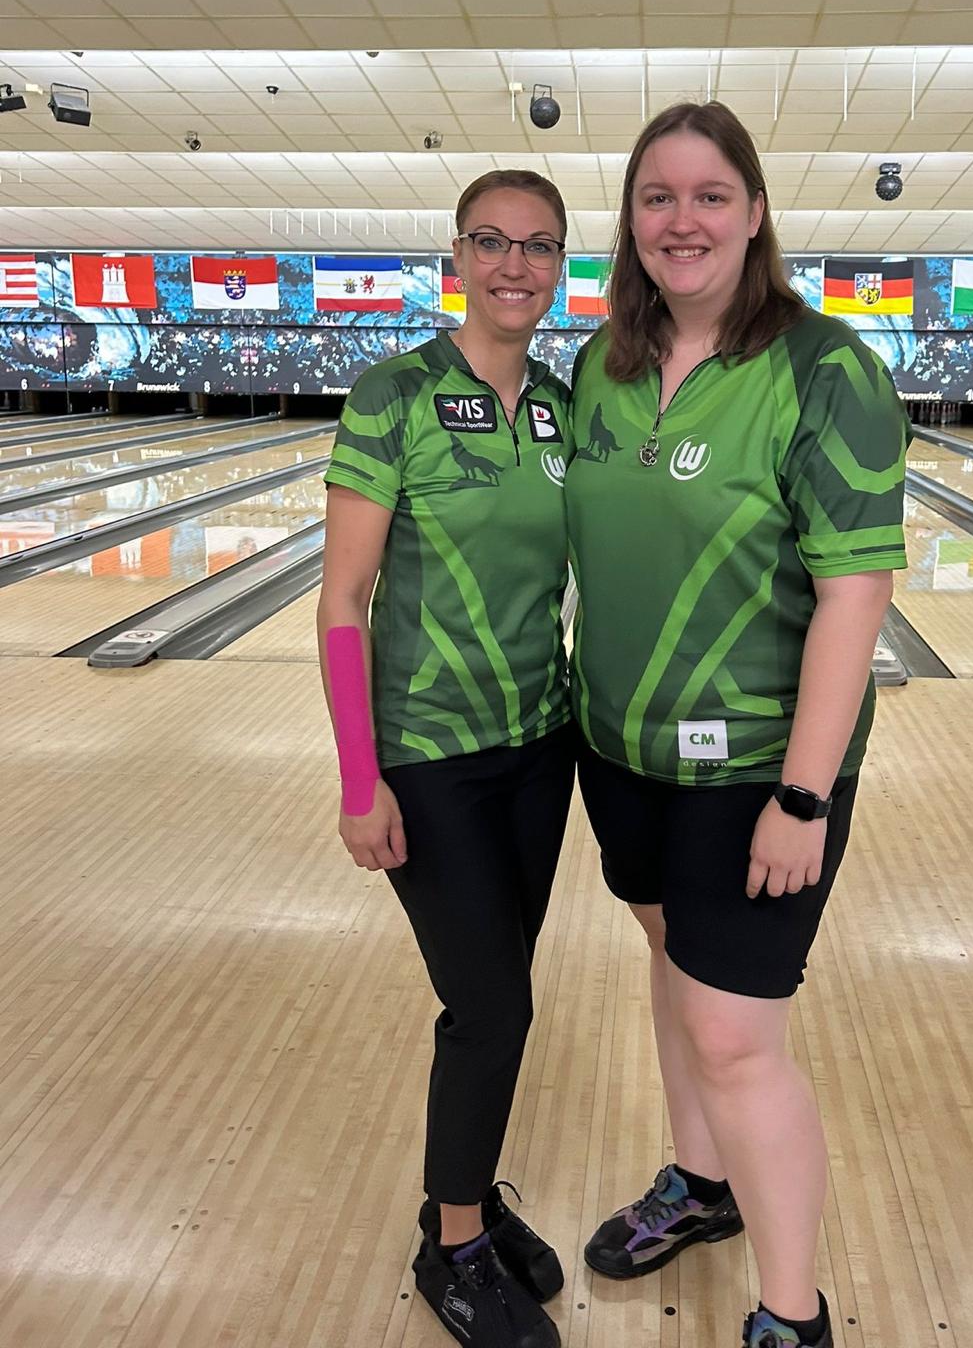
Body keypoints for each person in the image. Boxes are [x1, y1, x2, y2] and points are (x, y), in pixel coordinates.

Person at [565, 102, 909, 1348]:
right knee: (676, 967)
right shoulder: (601, 368)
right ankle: (700, 1187)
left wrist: (806, 795)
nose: (683, 218)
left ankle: (791, 1312)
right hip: (623, 755)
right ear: (632, 223)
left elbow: (854, 595)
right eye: (658, 197)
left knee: (732, 1030)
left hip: (761, 766)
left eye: (711, 194)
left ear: (755, 212)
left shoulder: (826, 370)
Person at [317, 169, 576, 1348]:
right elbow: (341, 602)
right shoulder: (396, 394)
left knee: (495, 1000)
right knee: (492, 1005)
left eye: (538, 247)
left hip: (540, 748)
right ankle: (456, 1244)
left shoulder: (568, 407)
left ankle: (452, 1194)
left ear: (560, 265)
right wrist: (359, 777)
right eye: (492, 241)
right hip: (430, 754)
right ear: (455, 257)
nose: (514, 264)